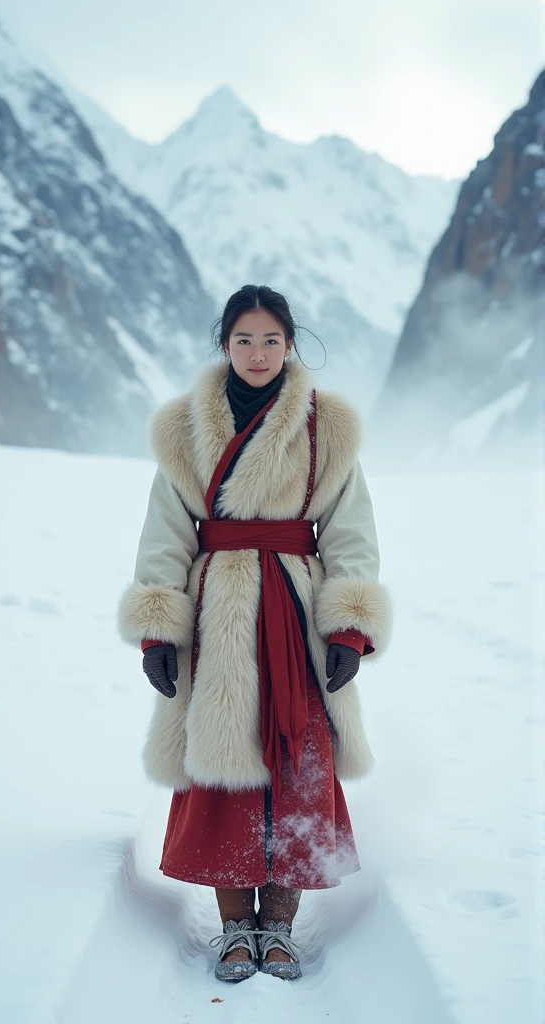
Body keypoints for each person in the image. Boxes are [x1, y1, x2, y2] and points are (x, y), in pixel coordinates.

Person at [117, 284, 392, 982]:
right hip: (219, 617)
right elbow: (166, 537)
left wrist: (349, 628)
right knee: (223, 762)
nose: (258, 353)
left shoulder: (327, 427)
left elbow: (352, 534)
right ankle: (235, 927)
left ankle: (282, 926)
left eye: (272, 340)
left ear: (291, 344)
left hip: (296, 616)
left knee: (299, 759)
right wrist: (157, 630)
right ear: (224, 344)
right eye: (245, 339)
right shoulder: (183, 429)